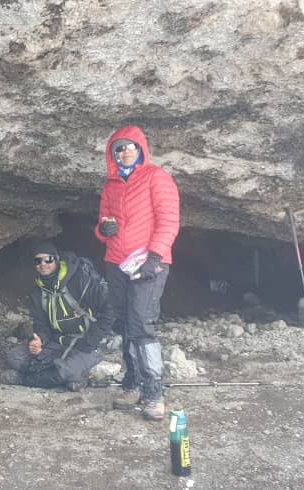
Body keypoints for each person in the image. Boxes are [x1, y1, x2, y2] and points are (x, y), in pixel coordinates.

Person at [95, 125, 180, 421]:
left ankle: (154, 392)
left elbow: (169, 220)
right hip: (117, 262)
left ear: (141, 149)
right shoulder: (110, 185)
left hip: (150, 262)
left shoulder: (157, 178)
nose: (126, 151)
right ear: (113, 154)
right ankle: (132, 383)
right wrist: (103, 230)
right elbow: (102, 223)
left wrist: (154, 257)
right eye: (119, 148)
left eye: (131, 146)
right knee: (124, 323)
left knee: (142, 324)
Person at [0, 242, 113, 391]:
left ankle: (23, 379)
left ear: (57, 259)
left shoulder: (79, 280)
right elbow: (42, 326)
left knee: (67, 370)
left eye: (48, 259)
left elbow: (111, 309)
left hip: (85, 343)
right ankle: (72, 378)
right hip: (57, 341)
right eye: (37, 261)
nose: (43, 264)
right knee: (14, 357)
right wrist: (40, 340)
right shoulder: (38, 292)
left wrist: (91, 340)